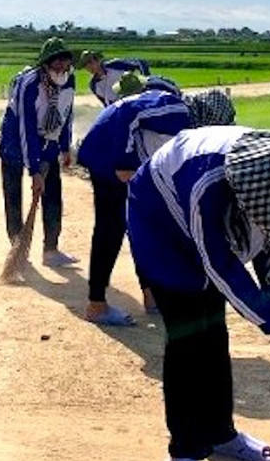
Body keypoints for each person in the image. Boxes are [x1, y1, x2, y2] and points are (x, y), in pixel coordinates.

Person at [127, 126, 270, 461]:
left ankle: (220, 432)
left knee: (214, 334)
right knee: (187, 336)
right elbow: (220, 266)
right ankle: (183, 452)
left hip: (204, 221)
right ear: (252, 197)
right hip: (162, 227)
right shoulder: (207, 186)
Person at [74, 71, 192, 326]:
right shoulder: (175, 107)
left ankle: (151, 297)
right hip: (108, 163)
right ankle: (97, 305)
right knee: (111, 230)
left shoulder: (163, 109)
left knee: (140, 229)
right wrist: (124, 164)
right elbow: (129, 114)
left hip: (108, 159)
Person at [0, 36, 77, 268]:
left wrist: (65, 147)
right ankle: (17, 245)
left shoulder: (69, 81)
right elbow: (26, 129)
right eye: (56, 61)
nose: (61, 66)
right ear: (46, 63)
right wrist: (33, 169)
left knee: (52, 194)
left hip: (49, 141)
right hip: (15, 142)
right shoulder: (30, 83)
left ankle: (51, 249)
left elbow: (66, 116)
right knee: (13, 194)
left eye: (65, 60)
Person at [78, 50, 151, 106]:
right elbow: (106, 104)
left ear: (97, 60)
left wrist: (148, 84)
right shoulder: (94, 85)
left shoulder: (115, 65)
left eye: (91, 62)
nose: (89, 67)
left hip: (136, 100)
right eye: (85, 65)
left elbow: (141, 63)